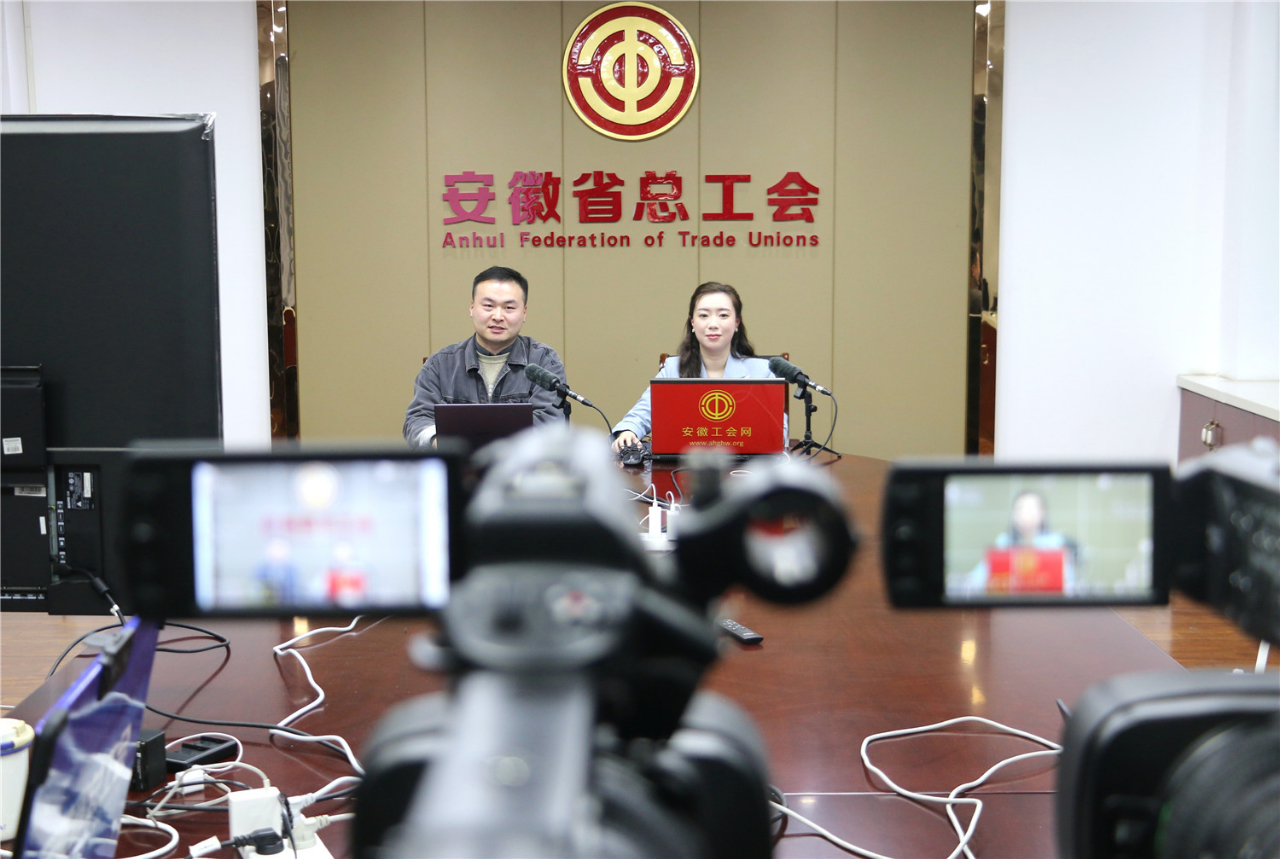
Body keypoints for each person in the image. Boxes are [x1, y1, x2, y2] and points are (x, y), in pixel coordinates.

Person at [404, 266, 567, 448]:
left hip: (520, 464)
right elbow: (417, 420)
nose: (497, 316)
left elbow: (550, 423)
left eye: (509, 307)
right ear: (472, 308)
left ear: (524, 313)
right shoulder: (440, 364)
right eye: (488, 306)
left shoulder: (544, 361)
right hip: (458, 462)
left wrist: (490, 447)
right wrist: (440, 443)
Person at [611, 282, 784, 452]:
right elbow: (642, 413)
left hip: (748, 466)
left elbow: (779, 433)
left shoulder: (763, 371)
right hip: (684, 466)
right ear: (692, 322)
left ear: (737, 322)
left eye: (723, 315)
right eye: (704, 315)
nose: (713, 324)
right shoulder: (673, 369)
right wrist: (628, 432)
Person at [956, 490, 1078, 595]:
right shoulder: (1004, 542)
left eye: (1032, 509)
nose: (1026, 515)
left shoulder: (1055, 543)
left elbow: (1068, 583)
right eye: (1021, 509)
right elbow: (977, 579)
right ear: (1014, 515)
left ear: (1042, 514)